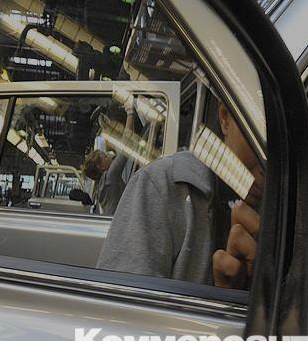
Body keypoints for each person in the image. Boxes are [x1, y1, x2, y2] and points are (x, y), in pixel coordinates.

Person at [96, 103, 263, 287]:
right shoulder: (164, 185)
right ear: (225, 118)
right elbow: (126, 297)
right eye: (261, 132)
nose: (268, 161)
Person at [81, 98, 137, 216]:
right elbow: (127, 145)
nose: (109, 156)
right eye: (105, 157)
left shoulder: (101, 185)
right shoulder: (110, 177)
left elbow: (123, 147)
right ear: (100, 167)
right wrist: (130, 111)